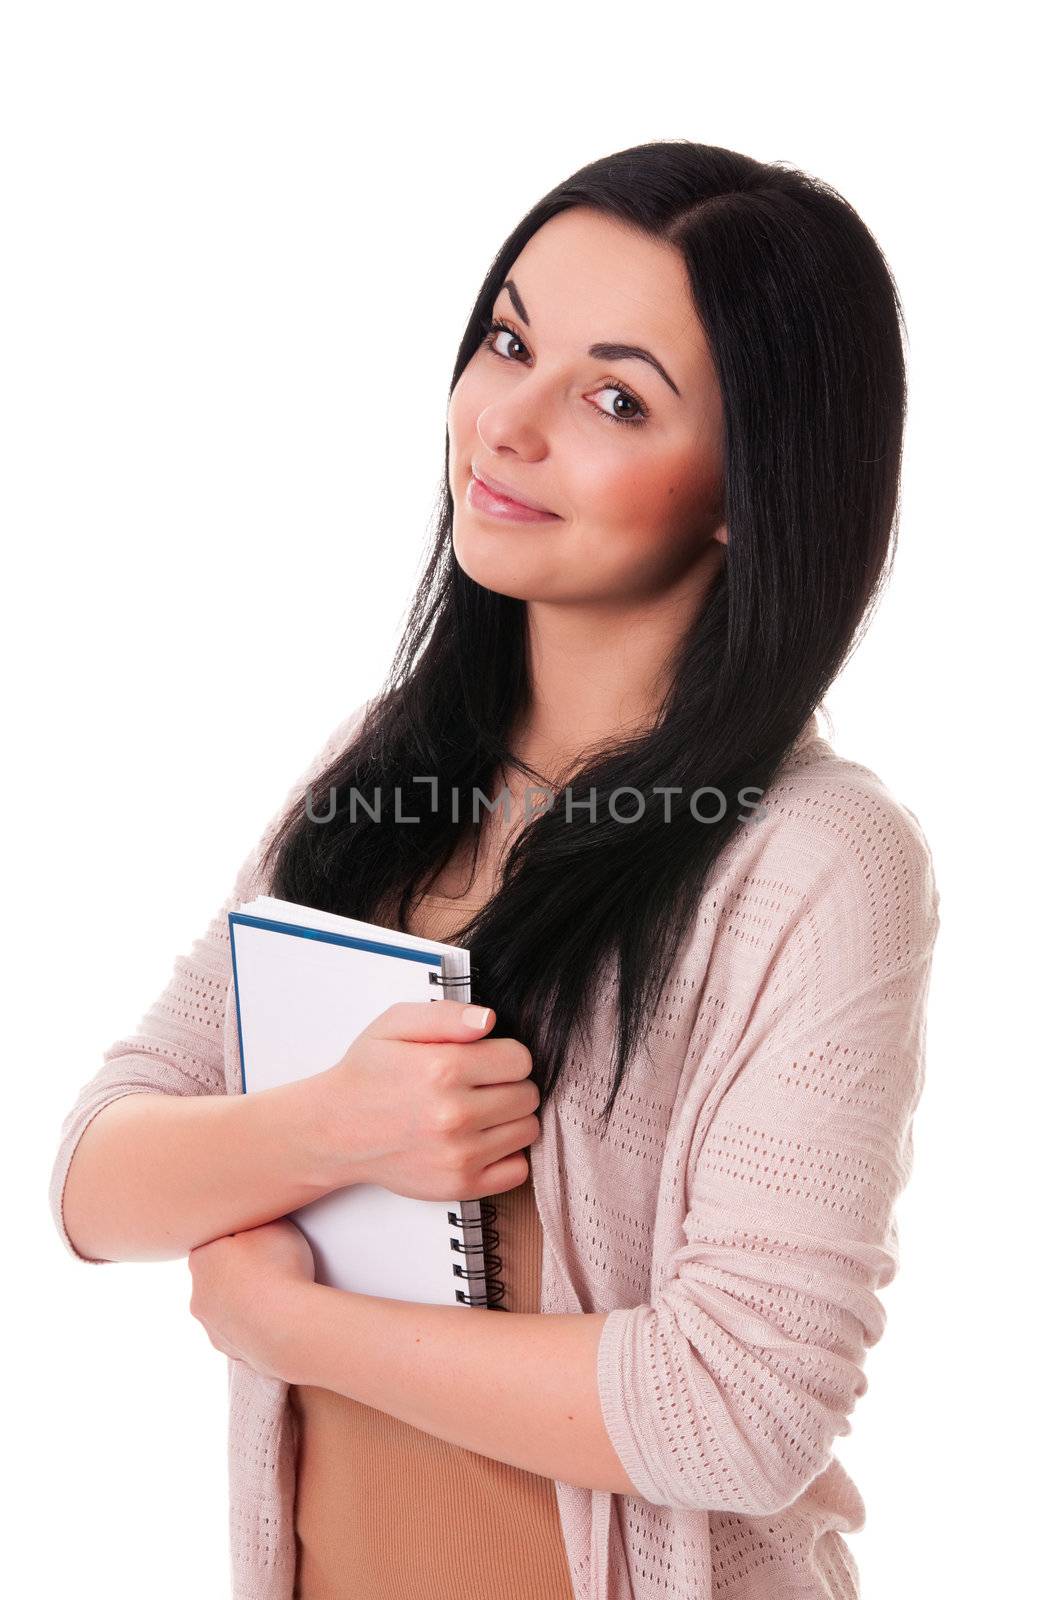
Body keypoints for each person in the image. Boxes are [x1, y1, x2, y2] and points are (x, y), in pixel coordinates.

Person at [48, 140, 940, 1600]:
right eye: (508, 340)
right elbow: (98, 1176)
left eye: (613, 397)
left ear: (745, 485)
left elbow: (743, 1409)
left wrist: (297, 1330)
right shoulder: (390, 770)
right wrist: (336, 1128)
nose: (502, 425)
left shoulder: (813, 861)